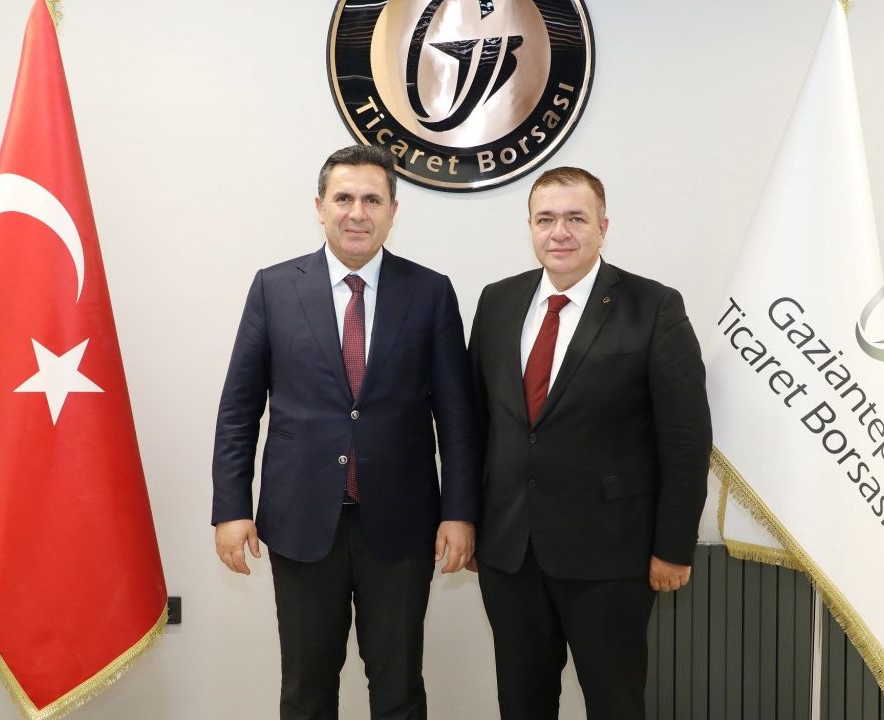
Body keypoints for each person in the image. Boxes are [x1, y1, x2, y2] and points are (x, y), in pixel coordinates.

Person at [212, 144, 480, 720]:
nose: (357, 212)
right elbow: (238, 409)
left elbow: (457, 417)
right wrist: (231, 509)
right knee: (306, 691)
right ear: (320, 207)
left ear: (392, 211)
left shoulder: (430, 292)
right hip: (301, 522)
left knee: (399, 689)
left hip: (402, 526)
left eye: (372, 200)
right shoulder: (273, 288)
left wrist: (460, 512)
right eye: (344, 198)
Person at [467, 166, 712, 719]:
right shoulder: (497, 302)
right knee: (522, 705)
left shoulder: (653, 307)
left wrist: (674, 546)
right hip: (511, 553)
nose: (560, 232)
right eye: (546, 219)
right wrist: (471, 521)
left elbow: (686, 439)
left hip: (611, 557)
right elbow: (476, 426)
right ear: (530, 227)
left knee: (614, 704)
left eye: (576, 218)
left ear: (603, 227)